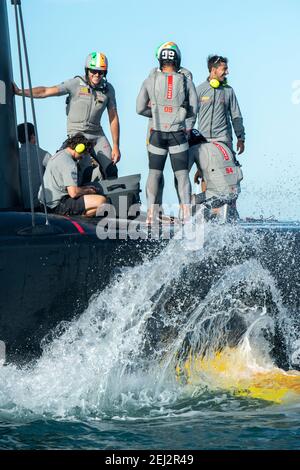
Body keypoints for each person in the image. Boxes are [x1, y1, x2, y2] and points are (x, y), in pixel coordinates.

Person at [14, 51, 121, 179]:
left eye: (101, 72)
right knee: (83, 173)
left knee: (111, 169)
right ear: (87, 70)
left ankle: (109, 198)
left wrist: (116, 146)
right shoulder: (75, 84)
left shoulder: (108, 90)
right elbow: (46, 91)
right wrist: (20, 92)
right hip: (78, 135)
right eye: (93, 71)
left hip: (97, 135)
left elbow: (113, 117)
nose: (97, 75)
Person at [136, 42, 198, 222]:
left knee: (154, 173)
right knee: (182, 176)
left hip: (157, 133)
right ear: (177, 59)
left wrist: (156, 115)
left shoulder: (149, 80)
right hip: (177, 134)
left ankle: (150, 215)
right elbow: (194, 109)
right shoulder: (186, 81)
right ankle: (186, 215)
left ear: (160, 60)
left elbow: (139, 108)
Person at [38, 133, 106, 217]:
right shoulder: (69, 163)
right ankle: (79, 220)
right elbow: (73, 193)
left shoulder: (60, 155)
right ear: (79, 148)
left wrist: (85, 188)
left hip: (46, 205)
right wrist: (89, 191)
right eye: (84, 153)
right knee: (102, 201)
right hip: (57, 206)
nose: (83, 157)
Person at [17, 122, 51, 209]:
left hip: (19, 206)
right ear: (32, 136)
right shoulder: (43, 154)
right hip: (38, 206)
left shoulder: (14, 155)